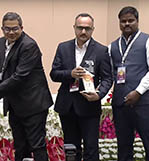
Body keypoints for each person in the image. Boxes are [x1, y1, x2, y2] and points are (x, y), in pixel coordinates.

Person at [0, 12, 53, 161]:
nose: (11, 32)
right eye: (7, 29)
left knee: (37, 146)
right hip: (15, 105)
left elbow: (19, 77)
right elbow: (0, 69)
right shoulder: (1, 43)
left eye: (15, 29)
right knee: (20, 147)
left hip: (34, 106)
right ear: (2, 29)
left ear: (21, 28)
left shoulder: (29, 45)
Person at [50, 13, 112, 161]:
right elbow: (54, 74)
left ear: (93, 29)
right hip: (67, 106)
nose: (83, 32)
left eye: (87, 28)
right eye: (80, 28)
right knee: (71, 149)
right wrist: (70, 74)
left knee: (91, 149)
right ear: (74, 28)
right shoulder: (63, 47)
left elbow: (108, 78)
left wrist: (99, 94)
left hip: (89, 106)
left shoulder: (101, 50)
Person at [109, 6, 149, 161]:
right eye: (123, 21)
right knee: (123, 146)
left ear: (137, 21)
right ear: (119, 23)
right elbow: (110, 74)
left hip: (143, 103)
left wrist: (138, 91)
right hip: (120, 104)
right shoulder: (112, 46)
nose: (127, 24)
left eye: (130, 20)